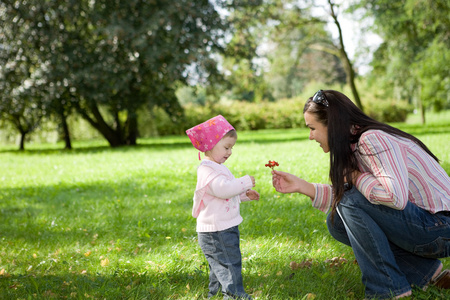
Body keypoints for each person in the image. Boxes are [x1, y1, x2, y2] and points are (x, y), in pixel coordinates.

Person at [271, 90, 450, 299]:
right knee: (337, 222)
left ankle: (386, 290)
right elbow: (357, 205)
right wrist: (302, 186)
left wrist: (355, 177)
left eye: (312, 128)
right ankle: (424, 273)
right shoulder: (353, 146)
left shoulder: (372, 139)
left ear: (333, 125)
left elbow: (395, 198)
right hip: (426, 226)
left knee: (348, 202)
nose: (310, 136)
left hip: (441, 228)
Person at [186, 115, 260, 299]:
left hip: (221, 227)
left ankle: (217, 293)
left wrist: (243, 195)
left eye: (231, 148)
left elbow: (223, 196)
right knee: (229, 263)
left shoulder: (217, 166)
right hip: (217, 230)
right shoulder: (207, 170)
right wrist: (244, 182)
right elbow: (222, 189)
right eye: (226, 147)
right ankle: (235, 295)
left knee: (220, 265)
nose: (230, 152)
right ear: (210, 145)